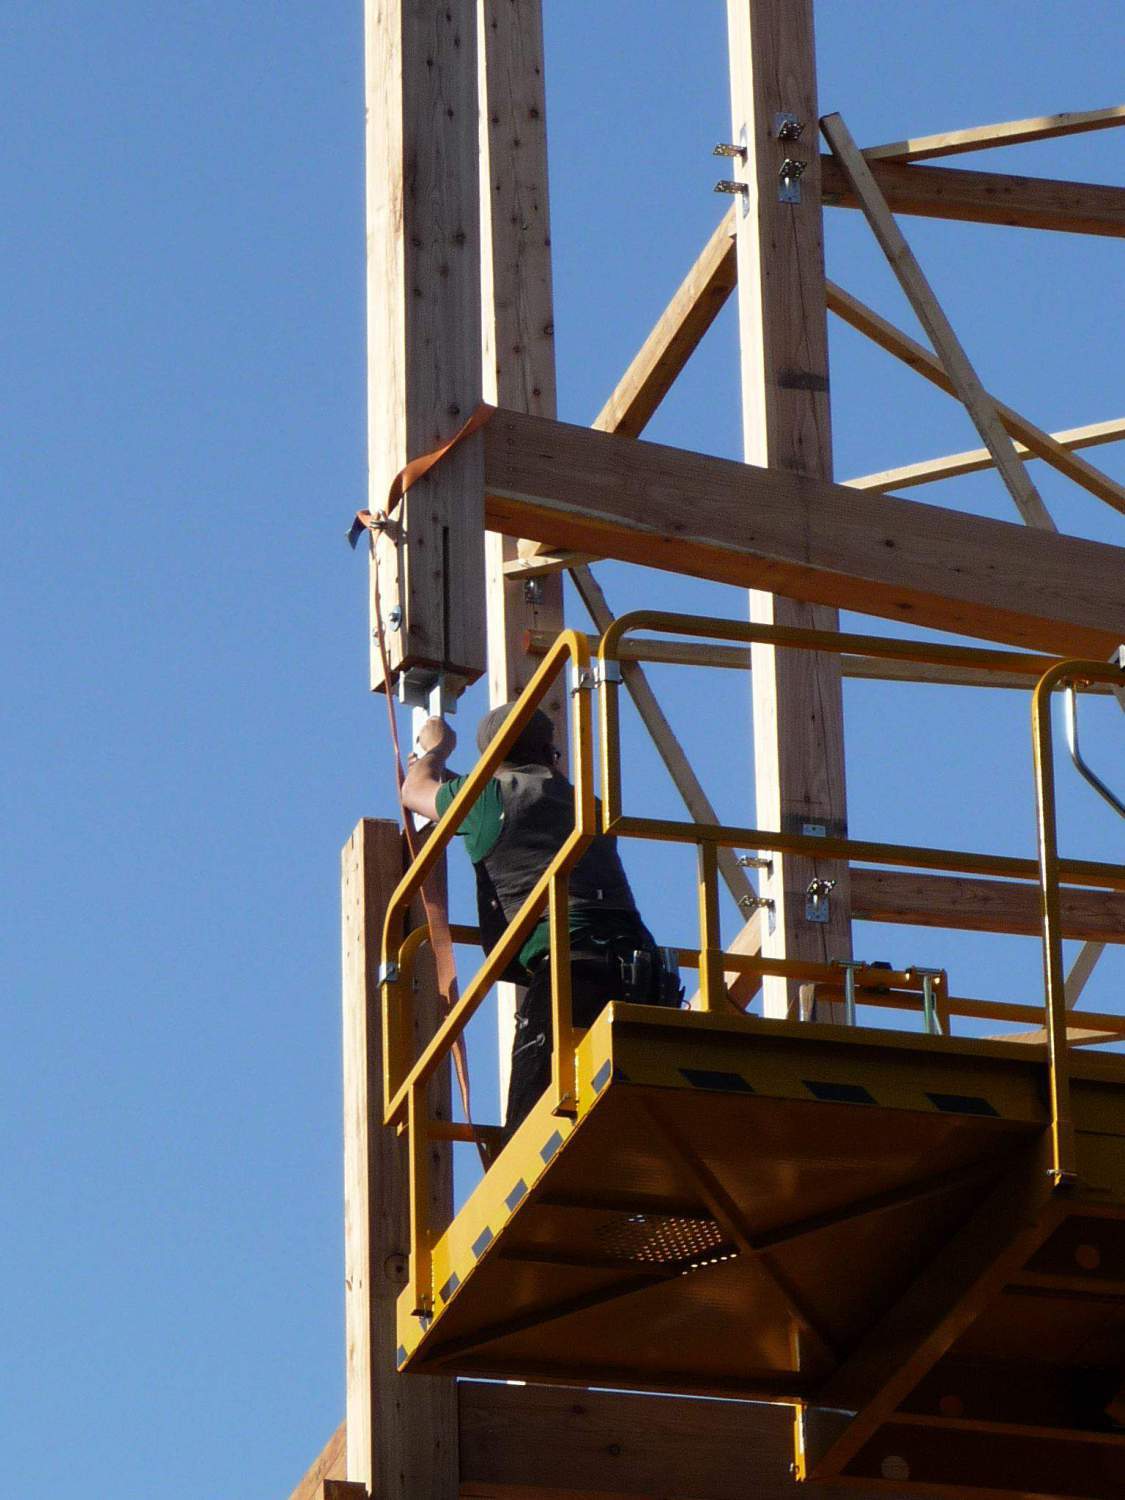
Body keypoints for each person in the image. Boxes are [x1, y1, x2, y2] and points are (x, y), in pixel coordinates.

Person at [401, 702, 681, 1139]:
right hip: (642, 974)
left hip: (571, 975)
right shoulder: (586, 802)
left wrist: (435, 749)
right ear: (550, 753)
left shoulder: (486, 799)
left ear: (489, 759)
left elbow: (414, 788)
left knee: (528, 1145)